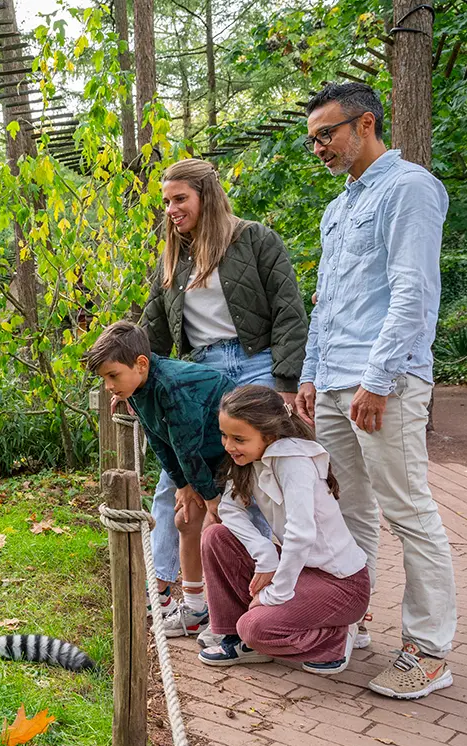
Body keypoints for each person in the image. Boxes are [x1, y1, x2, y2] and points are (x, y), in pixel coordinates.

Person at [295, 82, 456, 699]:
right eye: (312, 139)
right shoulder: (337, 209)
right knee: (347, 510)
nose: (319, 147)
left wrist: (378, 379)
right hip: (336, 381)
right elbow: (327, 304)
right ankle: (351, 617)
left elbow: (413, 293)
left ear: (365, 124)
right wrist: (311, 374)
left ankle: (429, 651)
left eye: (327, 134)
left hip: (383, 382)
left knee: (408, 510)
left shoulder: (410, 188)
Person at [140, 158, 309, 640]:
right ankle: (167, 589)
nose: (171, 209)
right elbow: (152, 326)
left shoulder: (255, 239)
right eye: (166, 201)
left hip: (257, 364)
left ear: (206, 196)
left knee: (258, 476)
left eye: (180, 199)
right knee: (177, 479)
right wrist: (133, 378)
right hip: (202, 372)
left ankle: (265, 589)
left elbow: (289, 310)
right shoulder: (173, 257)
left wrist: (287, 381)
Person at [198, 386, 370, 673]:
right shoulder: (250, 458)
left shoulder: (293, 462)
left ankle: (336, 637)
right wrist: (264, 553)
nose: (228, 446)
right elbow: (228, 509)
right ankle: (237, 640)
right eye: (224, 435)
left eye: (238, 439)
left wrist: (274, 595)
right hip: (302, 571)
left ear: (269, 435)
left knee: (255, 628)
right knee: (216, 537)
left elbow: (301, 534)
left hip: (341, 584)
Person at [86, 322, 234, 596]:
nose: (108, 386)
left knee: (219, 527)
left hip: (231, 454)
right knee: (185, 520)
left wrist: (211, 497)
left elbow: (186, 447)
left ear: (141, 364)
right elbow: (158, 440)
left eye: (113, 376)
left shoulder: (170, 387)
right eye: (104, 378)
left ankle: (232, 605)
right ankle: (193, 605)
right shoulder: (138, 388)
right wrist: (182, 483)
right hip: (202, 455)